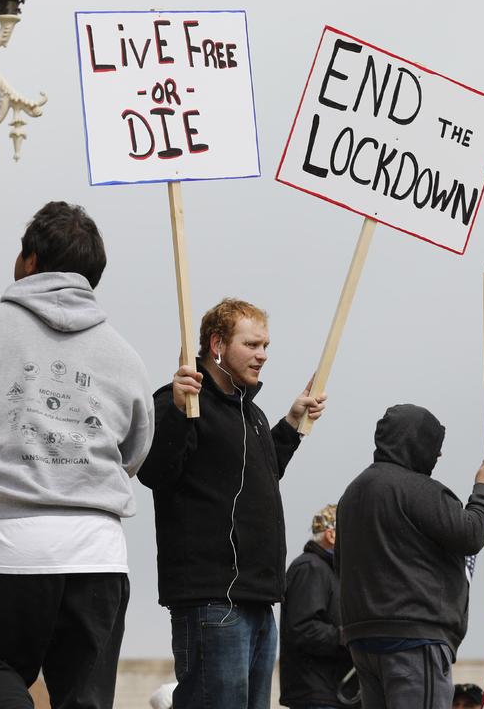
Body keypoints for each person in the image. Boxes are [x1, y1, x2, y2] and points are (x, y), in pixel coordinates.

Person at [0, 201, 154, 709]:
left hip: (9, 544)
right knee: (83, 698)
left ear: (29, 260)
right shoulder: (125, 356)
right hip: (97, 551)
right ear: (94, 275)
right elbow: (134, 451)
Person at [137, 298, 327, 709]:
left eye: (266, 346)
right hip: (212, 600)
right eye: (253, 344)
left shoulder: (251, 414)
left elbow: (259, 472)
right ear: (218, 345)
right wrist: (174, 408)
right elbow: (153, 472)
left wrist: (292, 424)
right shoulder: (181, 403)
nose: (263, 355)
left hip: (258, 600)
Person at [336, 404, 484, 709]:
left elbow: (340, 565)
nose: (437, 457)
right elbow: (470, 534)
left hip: (363, 638)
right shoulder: (419, 490)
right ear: (416, 443)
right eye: (434, 448)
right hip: (414, 639)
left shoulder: (351, 494)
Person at [279, 504, 358, 709]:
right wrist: (352, 637)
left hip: (335, 694)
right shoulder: (310, 568)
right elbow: (303, 629)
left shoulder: (331, 571)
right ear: (331, 535)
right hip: (318, 696)